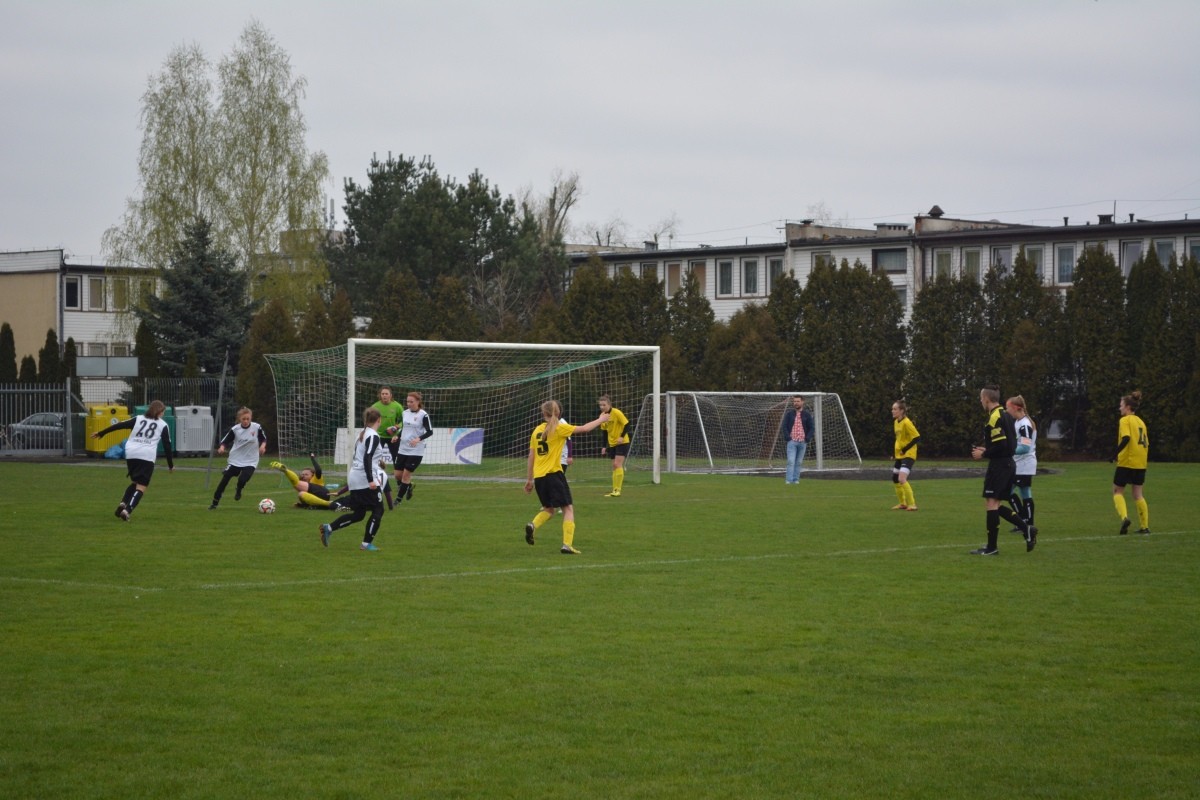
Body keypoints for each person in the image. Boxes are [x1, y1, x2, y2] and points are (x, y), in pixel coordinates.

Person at [524, 401, 610, 554]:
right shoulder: (559, 428)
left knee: (549, 509)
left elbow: (531, 456)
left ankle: (533, 525)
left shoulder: (536, 430)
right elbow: (584, 428)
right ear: (558, 413)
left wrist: (529, 480)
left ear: (543, 413)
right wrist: (601, 420)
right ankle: (567, 545)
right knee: (568, 509)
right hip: (554, 474)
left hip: (539, 477)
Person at [969, 385, 1038, 555]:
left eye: (981, 398)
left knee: (991, 504)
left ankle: (992, 548)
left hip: (1000, 465)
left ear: (986, 399)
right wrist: (988, 449)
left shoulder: (994, 417)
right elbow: (1008, 444)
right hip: (1009, 464)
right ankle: (1027, 529)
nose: (980, 401)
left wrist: (984, 453)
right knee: (995, 505)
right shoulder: (1007, 415)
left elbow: (1002, 445)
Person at [92, 399, 174, 521]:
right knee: (141, 486)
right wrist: (170, 465)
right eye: (163, 411)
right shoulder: (163, 425)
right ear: (159, 412)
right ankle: (127, 511)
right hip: (146, 455)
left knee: (135, 481)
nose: (163, 414)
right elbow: (167, 446)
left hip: (131, 453)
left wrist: (102, 433)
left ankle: (123, 503)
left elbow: (119, 425)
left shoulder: (138, 419)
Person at [320, 407, 386, 551]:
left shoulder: (362, 434)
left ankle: (329, 528)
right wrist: (371, 480)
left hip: (355, 477)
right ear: (379, 420)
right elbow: (367, 457)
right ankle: (366, 544)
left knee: (359, 514)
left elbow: (367, 457)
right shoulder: (373, 436)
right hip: (364, 479)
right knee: (378, 509)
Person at [208, 407, 267, 510]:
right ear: (239, 419)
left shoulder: (256, 427)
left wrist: (262, 446)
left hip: (251, 460)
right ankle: (214, 503)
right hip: (236, 459)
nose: (246, 421)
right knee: (224, 480)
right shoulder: (235, 429)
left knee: (243, 479)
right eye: (243, 419)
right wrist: (222, 447)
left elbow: (263, 439)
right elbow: (225, 441)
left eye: (248, 419)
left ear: (251, 418)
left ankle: (239, 489)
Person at [1112, 390, 1150, 535]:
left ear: (1128, 407)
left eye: (1121, 405)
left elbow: (1126, 438)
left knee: (1117, 491)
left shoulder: (1125, 420)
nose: (1119, 408)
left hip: (1127, 461)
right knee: (1138, 494)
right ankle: (1144, 527)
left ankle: (1124, 518)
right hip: (1141, 462)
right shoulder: (1141, 422)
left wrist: (1114, 454)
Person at [388, 390, 432, 503]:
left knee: (406, 476)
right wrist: (397, 436)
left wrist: (418, 439)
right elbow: (404, 428)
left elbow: (430, 432)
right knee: (397, 475)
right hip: (403, 449)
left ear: (418, 402)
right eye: (407, 402)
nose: (409, 404)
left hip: (416, 451)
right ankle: (409, 486)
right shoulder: (405, 413)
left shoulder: (423, 415)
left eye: (411, 402)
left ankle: (397, 500)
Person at [271, 453, 348, 509]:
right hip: (318, 498)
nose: (303, 476)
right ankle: (323, 506)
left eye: (306, 474)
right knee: (301, 494)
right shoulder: (304, 485)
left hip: (323, 493)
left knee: (297, 484)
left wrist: (312, 458)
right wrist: (302, 505)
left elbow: (318, 470)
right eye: (302, 474)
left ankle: (285, 470)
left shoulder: (316, 479)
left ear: (312, 475)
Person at [1006, 395, 1037, 531]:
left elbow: (1025, 447)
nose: (1007, 411)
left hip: (1023, 464)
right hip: (1021, 464)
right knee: (1024, 492)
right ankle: (1026, 523)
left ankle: (1023, 522)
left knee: (1008, 491)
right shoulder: (1019, 422)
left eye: (1008, 408)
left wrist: (1008, 451)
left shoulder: (1024, 424)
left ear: (1015, 408)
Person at [597, 394, 629, 497]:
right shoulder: (602, 416)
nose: (602, 407)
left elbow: (627, 424)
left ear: (609, 405)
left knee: (617, 464)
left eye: (604, 405)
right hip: (612, 444)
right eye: (600, 405)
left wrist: (621, 437)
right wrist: (604, 446)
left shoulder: (616, 412)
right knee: (614, 466)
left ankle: (617, 490)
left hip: (622, 442)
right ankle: (614, 490)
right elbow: (604, 432)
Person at [890, 400, 920, 509]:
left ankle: (912, 504)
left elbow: (917, 437)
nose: (892, 411)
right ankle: (902, 503)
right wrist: (895, 453)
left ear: (901, 411)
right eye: (892, 409)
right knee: (895, 478)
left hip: (909, 454)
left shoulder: (907, 422)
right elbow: (899, 440)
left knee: (901, 478)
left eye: (895, 409)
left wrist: (905, 449)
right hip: (900, 455)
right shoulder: (896, 422)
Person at [779, 395, 815, 485]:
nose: (796, 403)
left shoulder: (807, 415)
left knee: (798, 462)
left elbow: (812, 428)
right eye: (795, 401)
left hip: (803, 442)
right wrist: (788, 437)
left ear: (802, 402)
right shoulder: (789, 414)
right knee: (791, 461)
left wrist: (807, 438)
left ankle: (795, 480)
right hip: (792, 442)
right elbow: (784, 426)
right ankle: (788, 480)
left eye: (798, 401)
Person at [372, 386, 404, 474]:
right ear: (380, 395)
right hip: (379, 436)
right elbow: (370, 421)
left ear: (390, 395)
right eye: (383, 394)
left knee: (396, 458)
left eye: (386, 394)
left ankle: (399, 479)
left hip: (394, 437)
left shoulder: (397, 406)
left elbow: (404, 421)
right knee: (374, 457)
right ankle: (375, 476)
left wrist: (396, 427)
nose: (384, 395)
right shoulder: (375, 406)